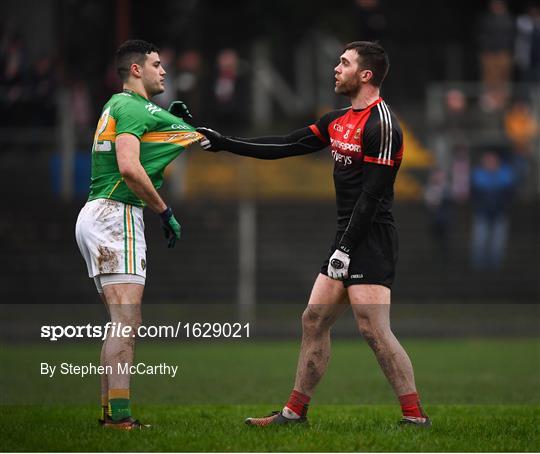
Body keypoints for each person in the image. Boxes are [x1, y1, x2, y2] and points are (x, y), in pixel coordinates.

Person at [197, 41, 430, 427]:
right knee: (313, 320)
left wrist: (347, 248)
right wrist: (224, 143)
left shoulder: (382, 124)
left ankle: (415, 417)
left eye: (344, 62)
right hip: (346, 237)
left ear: (366, 75)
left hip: (371, 237)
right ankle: (293, 413)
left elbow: (372, 197)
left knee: (373, 328)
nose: (336, 68)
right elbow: (286, 145)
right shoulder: (336, 119)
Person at [75, 40, 202, 430]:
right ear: (136, 70)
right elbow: (129, 167)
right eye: (156, 64)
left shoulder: (117, 105)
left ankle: (110, 414)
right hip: (117, 214)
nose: (163, 71)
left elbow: (139, 142)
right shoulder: (130, 107)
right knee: (127, 321)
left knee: (120, 320)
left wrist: (167, 122)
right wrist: (164, 210)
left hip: (97, 213)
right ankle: (120, 418)